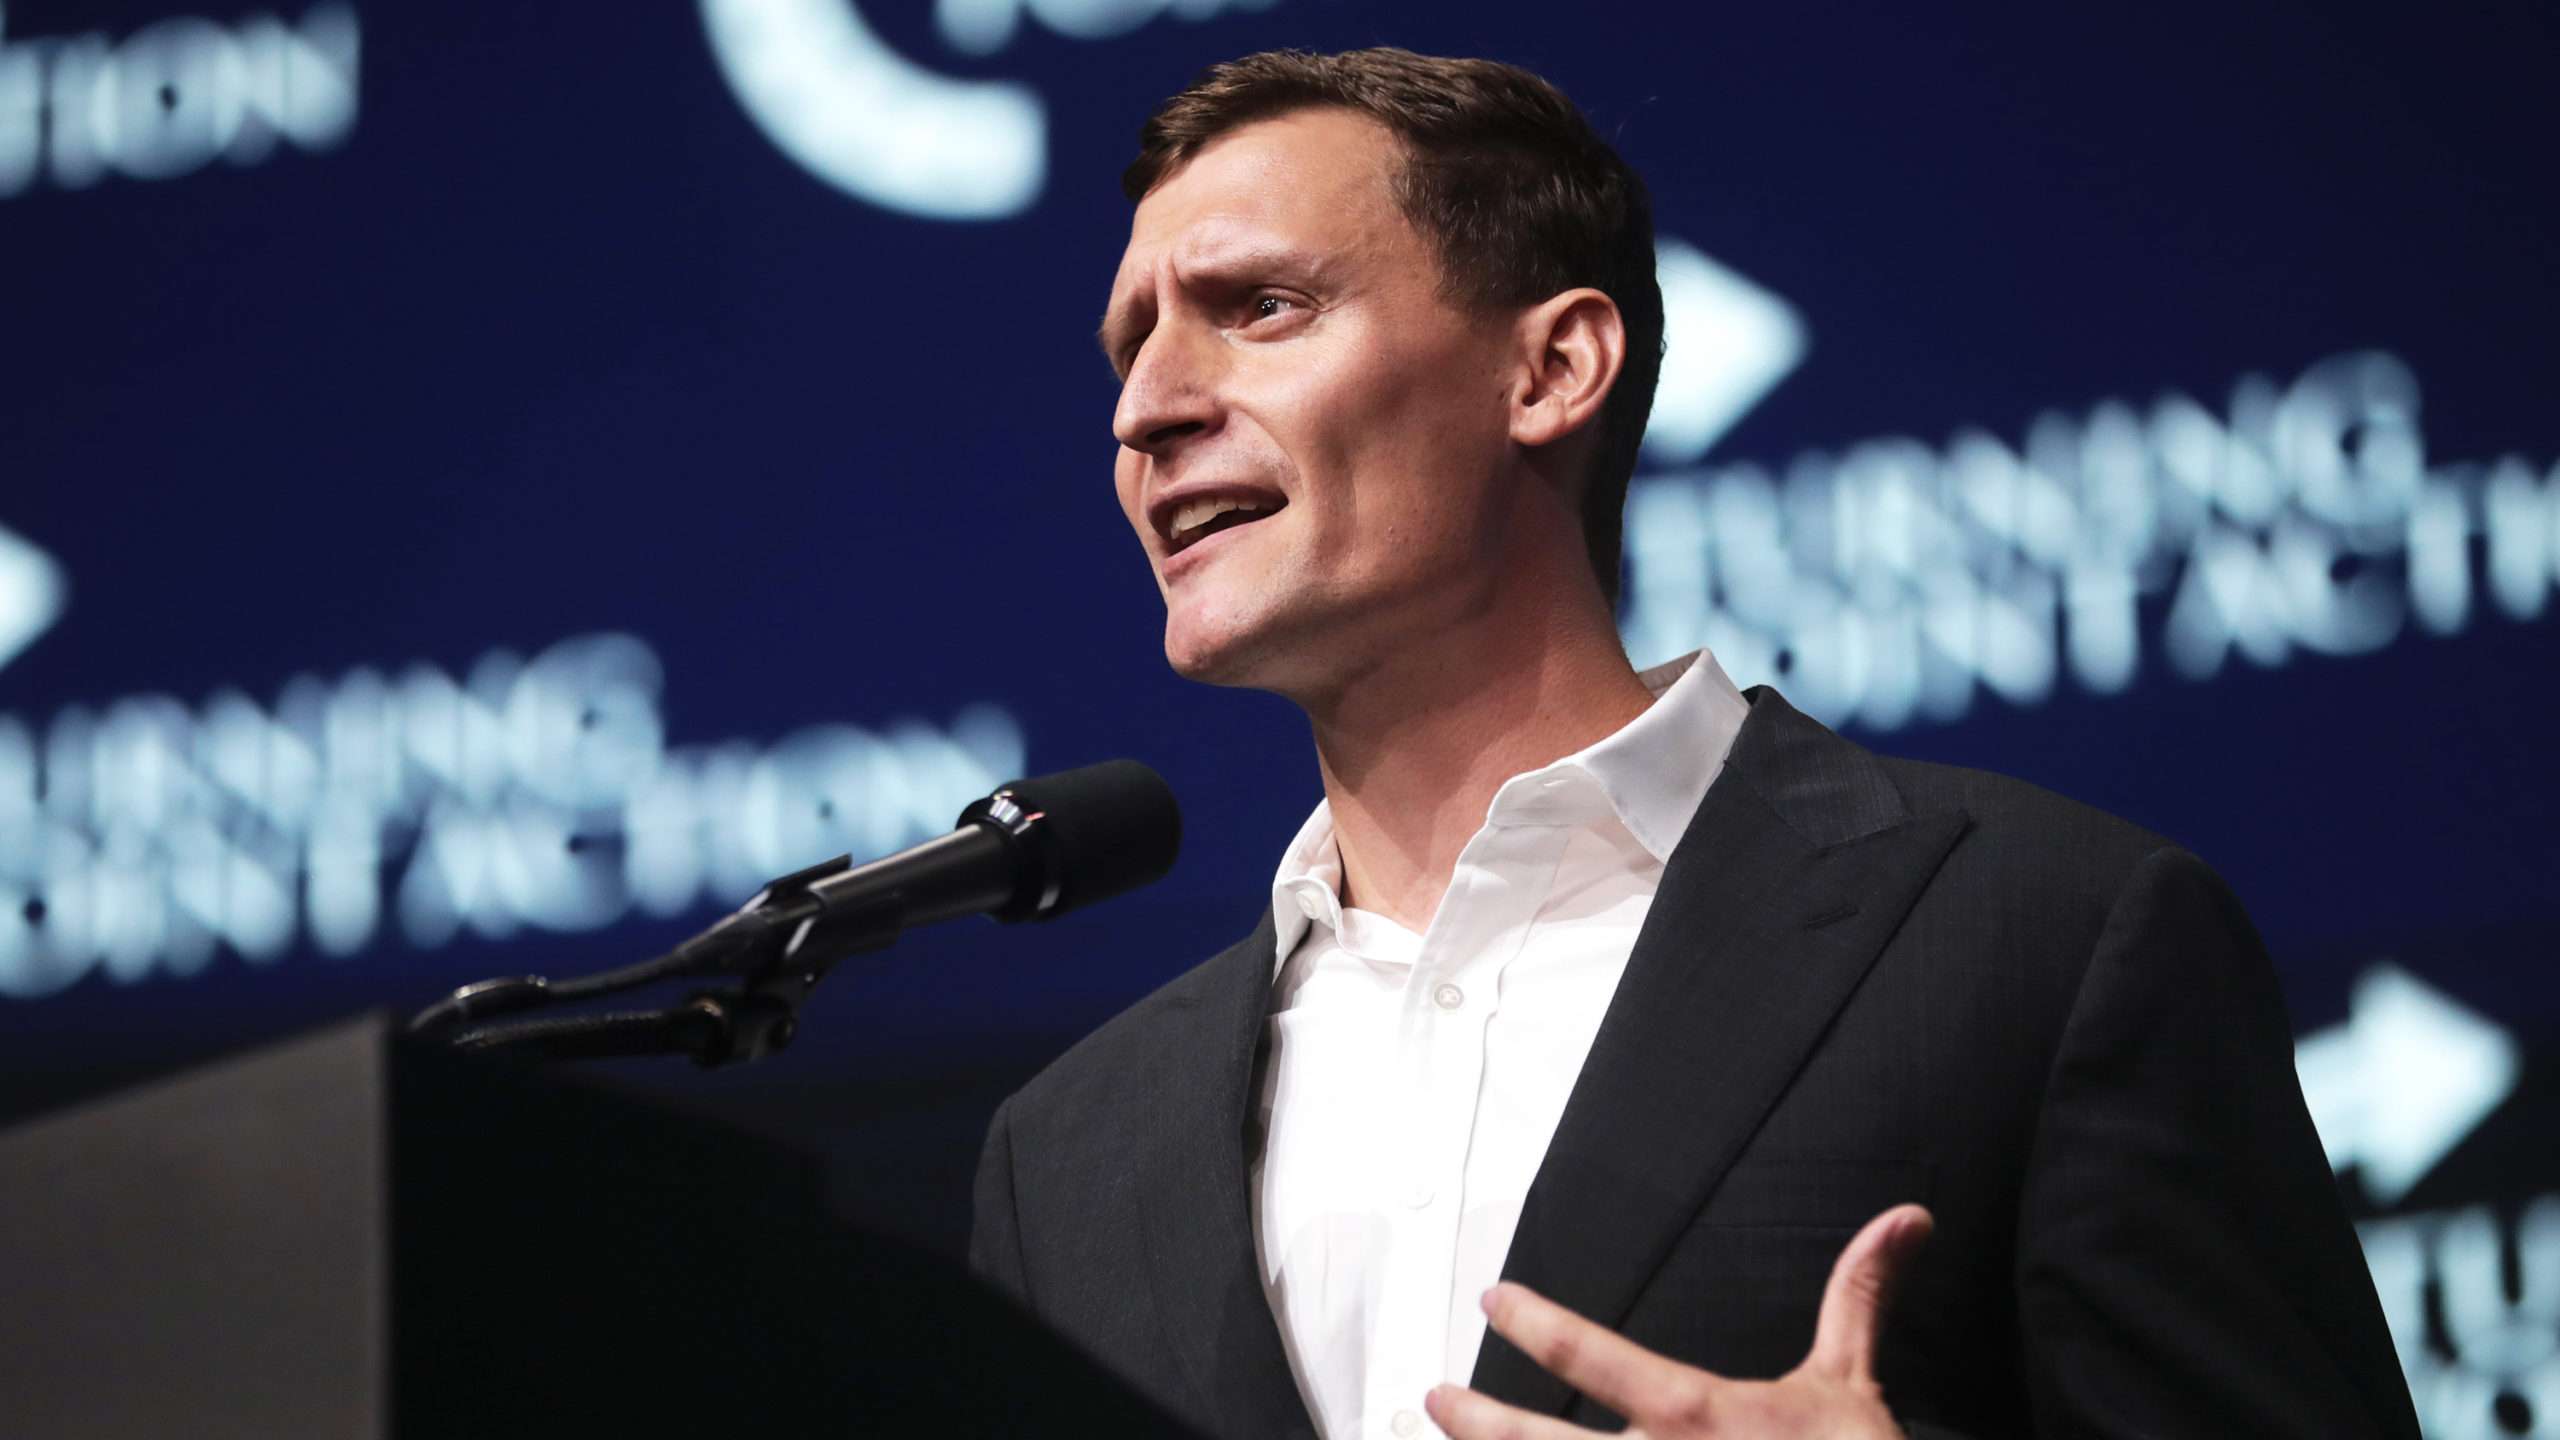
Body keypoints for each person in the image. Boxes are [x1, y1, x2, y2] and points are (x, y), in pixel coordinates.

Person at [969, 47, 2418, 1440]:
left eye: (1262, 306)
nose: (1147, 408)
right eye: (1130, 343)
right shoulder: (1070, 1154)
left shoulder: (2040, 939)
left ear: (1552, 369)